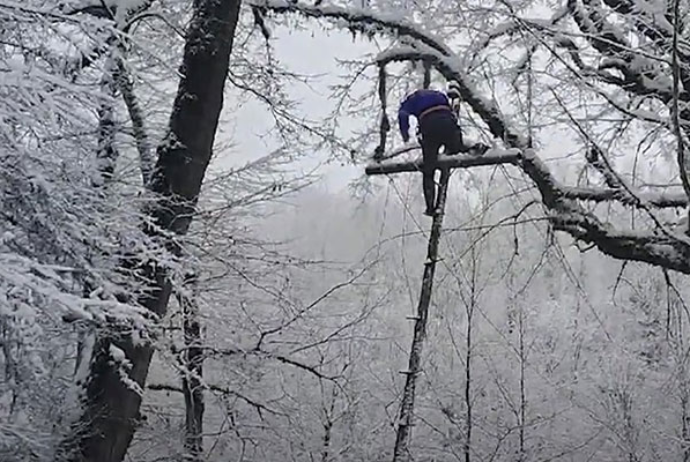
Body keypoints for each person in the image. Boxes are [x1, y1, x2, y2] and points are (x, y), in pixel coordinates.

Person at [398, 85, 466, 217]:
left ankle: (431, 207)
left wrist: (405, 134)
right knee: (457, 150)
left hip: (430, 125)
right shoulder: (440, 95)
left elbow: (403, 114)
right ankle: (473, 149)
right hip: (448, 122)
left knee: (429, 168)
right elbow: (450, 112)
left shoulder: (412, 100)